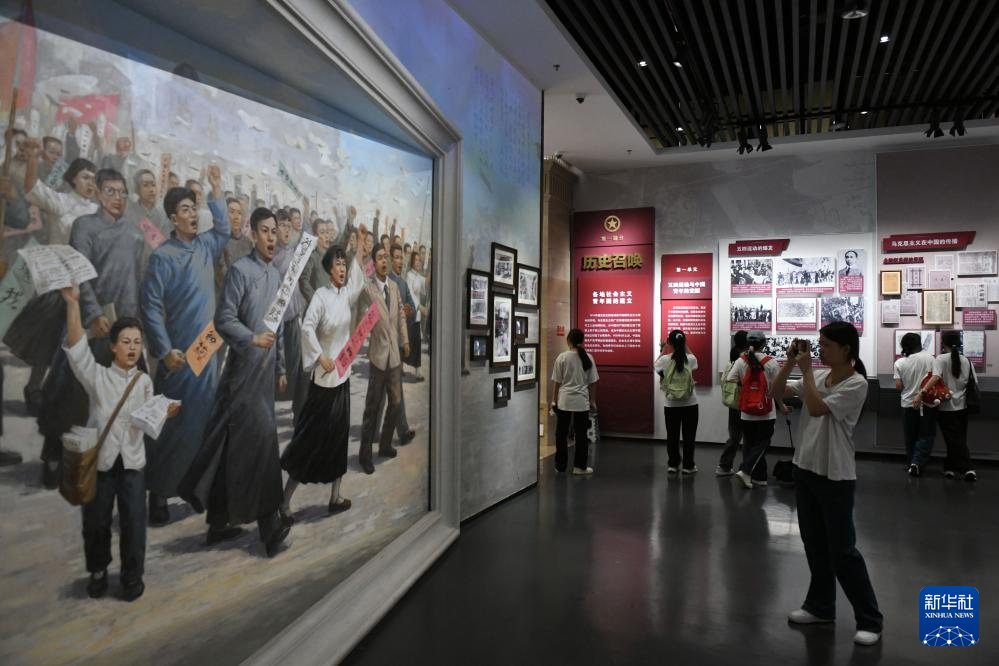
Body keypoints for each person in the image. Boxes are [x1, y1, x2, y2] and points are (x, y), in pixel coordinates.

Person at [178, 207, 291, 557]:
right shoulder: (240, 271)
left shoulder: (277, 276)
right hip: (241, 376)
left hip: (264, 375)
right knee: (262, 445)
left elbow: (278, 326)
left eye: (274, 231)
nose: (271, 237)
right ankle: (270, 526)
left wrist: (281, 367)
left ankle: (218, 523)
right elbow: (223, 320)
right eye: (264, 231)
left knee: (234, 446)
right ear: (253, 235)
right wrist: (251, 339)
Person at [770, 324, 883, 646]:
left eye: (826, 344)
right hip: (806, 469)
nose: (820, 349)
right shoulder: (818, 376)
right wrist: (790, 363)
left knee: (843, 551)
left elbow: (818, 409)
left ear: (846, 349)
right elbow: (776, 392)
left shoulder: (857, 383)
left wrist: (806, 372)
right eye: (819, 343)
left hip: (836, 476)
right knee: (815, 546)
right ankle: (820, 607)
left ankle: (870, 620)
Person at [36, 168, 146, 489]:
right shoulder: (84, 226)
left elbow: (136, 280)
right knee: (68, 391)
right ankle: (53, 455)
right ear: (97, 194)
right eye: (110, 192)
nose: (117, 198)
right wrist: (94, 313)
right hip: (89, 322)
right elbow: (79, 275)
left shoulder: (135, 234)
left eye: (122, 193)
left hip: (123, 326)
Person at [61, 282, 164, 602]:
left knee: (134, 523)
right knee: (96, 522)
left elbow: (148, 423)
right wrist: (73, 304)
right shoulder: (98, 377)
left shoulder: (144, 382)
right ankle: (98, 571)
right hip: (101, 463)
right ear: (113, 347)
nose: (133, 348)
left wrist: (162, 413)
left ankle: (132, 576)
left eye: (137, 342)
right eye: (126, 342)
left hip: (133, 463)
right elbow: (77, 351)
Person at [140, 168, 229, 526]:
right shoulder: (163, 257)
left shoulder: (206, 245)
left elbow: (223, 229)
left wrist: (216, 190)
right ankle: (158, 494)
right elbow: (150, 306)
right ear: (173, 219)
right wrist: (164, 350)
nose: (192, 214)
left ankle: (194, 488)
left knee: (201, 421)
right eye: (186, 210)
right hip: (178, 355)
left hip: (206, 351)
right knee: (171, 423)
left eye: (194, 208)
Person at [280, 244, 367, 521]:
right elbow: (307, 327)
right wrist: (319, 357)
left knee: (339, 439)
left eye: (344, 264)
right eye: (337, 264)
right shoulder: (321, 296)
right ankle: (284, 503)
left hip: (342, 378)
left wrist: (359, 251)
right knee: (309, 442)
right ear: (329, 268)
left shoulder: (346, 294)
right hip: (323, 383)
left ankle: (335, 497)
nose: (342, 269)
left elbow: (358, 280)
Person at [357, 246, 409, 474]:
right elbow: (361, 319)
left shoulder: (394, 287)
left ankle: (385, 445)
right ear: (374, 263)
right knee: (373, 406)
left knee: (396, 403)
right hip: (378, 356)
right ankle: (365, 454)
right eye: (380, 258)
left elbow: (401, 317)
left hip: (394, 356)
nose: (384, 261)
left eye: (386, 257)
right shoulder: (368, 290)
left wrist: (405, 341)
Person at [727, 331, 786, 489]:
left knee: (750, 444)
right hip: (766, 412)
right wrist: (782, 405)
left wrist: (745, 384)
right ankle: (746, 471)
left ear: (747, 344)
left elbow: (730, 378)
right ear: (764, 344)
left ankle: (759, 477)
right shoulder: (771, 362)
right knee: (762, 444)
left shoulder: (741, 361)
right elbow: (777, 388)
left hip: (746, 411)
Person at [919, 331, 977, 481]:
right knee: (957, 438)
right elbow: (974, 382)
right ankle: (949, 468)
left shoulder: (941, 359)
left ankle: (968, 468)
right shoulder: (967, 361)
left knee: (954, 439)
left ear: (943, 343)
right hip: (963, 406)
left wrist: (923, 391)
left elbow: (936, 377)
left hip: (945, 406)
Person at [549, 328, 599, 475]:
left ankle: (560, 466)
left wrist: (553, 400)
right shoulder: (588, 357)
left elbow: (557, 382)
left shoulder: (562, 357)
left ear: (568, 341)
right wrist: (593, 400)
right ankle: (580, 467)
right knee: (581, 434)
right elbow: (593, 382)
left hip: (564, 401)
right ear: (582, 341)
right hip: (581, 401)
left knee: (561, 434)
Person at [655, 329, 699, 474]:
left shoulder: (665, 360)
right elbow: (694, 360)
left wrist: (664, 349)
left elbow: (656, 366)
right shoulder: (690, 359)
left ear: (670, 343)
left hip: (671, 404)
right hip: (690, 403)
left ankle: (673, 464)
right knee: (689, 436)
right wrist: (684, 345)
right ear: (684, 342)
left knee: (672, 436)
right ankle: (688, 466)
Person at [893, 332, 936, 476]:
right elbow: (936, 378)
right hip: (927, 403)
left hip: (907, 403)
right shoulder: (930, 358)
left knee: (910, 436)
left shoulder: (899, 363)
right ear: (919, 344)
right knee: (926, 434)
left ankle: (911, 463)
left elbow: (899, 386)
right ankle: (917, 463)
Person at [716, 331, 749, 476]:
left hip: (734, 402)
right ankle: (747, 470)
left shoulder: (732, 357)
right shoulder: (745, 359)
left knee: (734, 437)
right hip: (746, 403)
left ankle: (724, 466)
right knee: (749, 438)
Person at [125, 168, 171, 238]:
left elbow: (165, 240)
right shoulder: (130, 211)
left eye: (153, 185)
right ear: (137, 190)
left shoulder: (161, 214)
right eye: (145, 185)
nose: (151, 190)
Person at [405, 250, 427, 381]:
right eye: (416, 260)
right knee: (407, 341)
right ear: (412, 262)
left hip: (417, 315)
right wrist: (419, 307)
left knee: (417, 342)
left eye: (420, 260)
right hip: (411, 313)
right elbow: (410, 294)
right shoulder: (409, 275)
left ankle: (418, 370)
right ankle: (400, 366)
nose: (418, 262)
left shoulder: (419, 276)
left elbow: (426, 283)